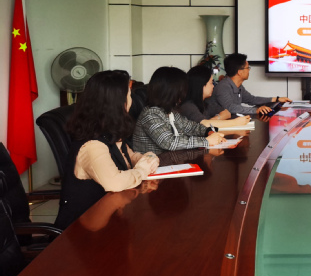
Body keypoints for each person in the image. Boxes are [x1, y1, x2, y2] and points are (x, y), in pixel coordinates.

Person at [55, 70, 160, 230]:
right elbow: (114, 183)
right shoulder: (92, 145)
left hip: (108, 219)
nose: (131, 100)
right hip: (82, 231)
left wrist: (148, 159)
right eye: (129, 95)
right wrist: (141, 171)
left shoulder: (109, 133)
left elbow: (130, 157)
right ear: (117, 103)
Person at [133, 66, 226, 154]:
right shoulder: (151, 115)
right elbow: (169, 142)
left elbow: (190, 127)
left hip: (171, 160)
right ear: (172, 91)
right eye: (182, 89)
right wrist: (206, 141)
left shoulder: (170, 111)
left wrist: (208, 132)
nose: (184, 94)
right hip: (155, 163)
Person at [210, 53, 291, 116]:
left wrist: (276, 99)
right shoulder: (223, 87)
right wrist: (256, 110)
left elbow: (252, 99)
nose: (249, 70)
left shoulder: (238, 86)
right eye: (248, 68)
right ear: (240, 72)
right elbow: (230, 108)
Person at [180, 65, 251, 129]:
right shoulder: (188, 106)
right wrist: (235, 122)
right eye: (211, 83)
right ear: (201, 86)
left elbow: (226, 113)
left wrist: (213, 120)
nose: (213, 86)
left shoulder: (206, 102)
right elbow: (203, 125)